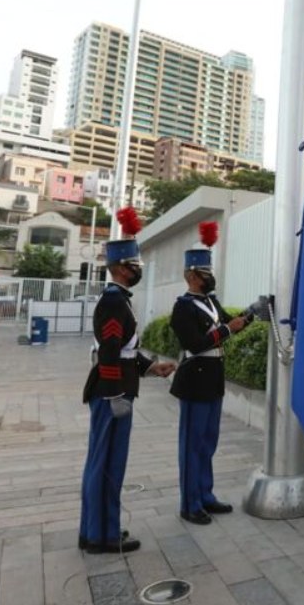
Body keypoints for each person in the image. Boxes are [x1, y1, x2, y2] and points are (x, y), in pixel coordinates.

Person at [79, 208, 176, 554]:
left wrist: (151, 367)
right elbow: (108, 353)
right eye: (135, 265)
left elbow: (125, 351)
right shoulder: (113, 302)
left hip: (113, 389)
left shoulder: (119, 301)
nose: (137, 271)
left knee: (101, 462)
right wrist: (117, 394)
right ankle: (102, 535)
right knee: (107, 465)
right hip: (111, 394)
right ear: (122, 267)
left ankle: (94, 529)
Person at [169, 221, 250, 526]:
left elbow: (230, 324)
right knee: (192, 444)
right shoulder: (183, 308)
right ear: (191, 276)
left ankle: (205, 494)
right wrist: (229, 328)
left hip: (213, 376)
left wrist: (252, 313)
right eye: (205, 273)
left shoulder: (211, 302)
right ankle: (189, 504)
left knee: (208, 441)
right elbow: (195, 342)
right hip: (195, 378)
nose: (209, 277)